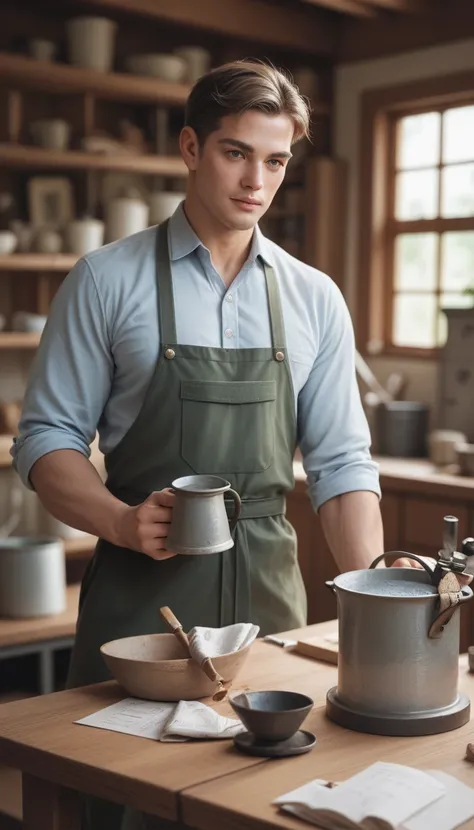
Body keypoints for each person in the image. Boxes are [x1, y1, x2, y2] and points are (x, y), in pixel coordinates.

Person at [12, 59, 386, 829]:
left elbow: (342, 461)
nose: (257, 180)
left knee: (259, 807)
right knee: (117, 804)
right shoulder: (105, 279)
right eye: (235, 152)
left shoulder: (314, 297)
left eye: (276, 160)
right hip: (137, 613)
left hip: (269, 612)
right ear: (190, 147)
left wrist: (372, 597)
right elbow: (46, 439)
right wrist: (120, 521)